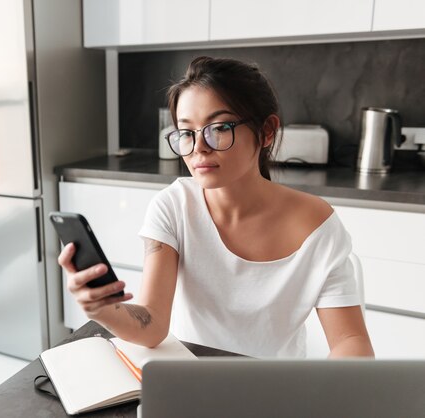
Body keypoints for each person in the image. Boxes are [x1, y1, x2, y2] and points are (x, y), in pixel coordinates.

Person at [58, 56, 374, 358]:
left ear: (266, 132)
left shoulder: (316, 225)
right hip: (188, 379)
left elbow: (350, 340)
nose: (199, 148)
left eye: (220, 128)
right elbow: (152, 325)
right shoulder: (173, 207)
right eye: (186, 132)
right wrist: (102, 309)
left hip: (276, 390)